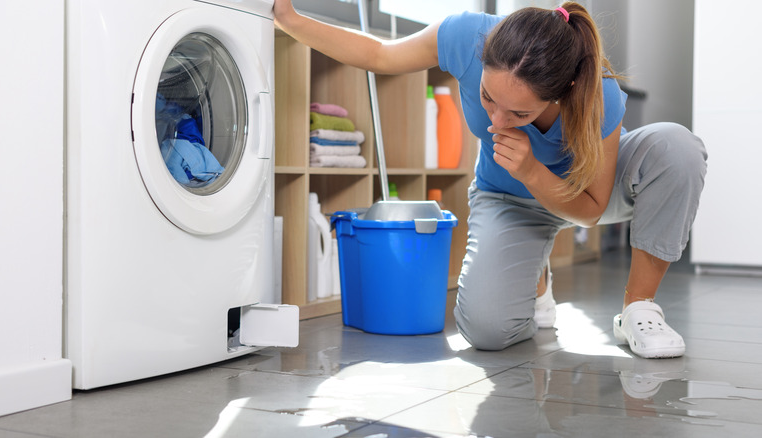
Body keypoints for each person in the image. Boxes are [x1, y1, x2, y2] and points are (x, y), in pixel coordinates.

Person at [273, 1, 707, 358]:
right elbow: (379, 55)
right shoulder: (466, 37)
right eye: (487, 98)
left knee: (677, 146)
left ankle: (639, 309)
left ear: (563, 90)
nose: (497, 122)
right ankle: (534, 272)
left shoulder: (596, 91)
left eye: (519, 114)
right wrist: (291, 19)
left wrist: (533, 170)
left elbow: (592, 213)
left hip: (591, 189)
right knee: (485, 331)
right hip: (509, 198)